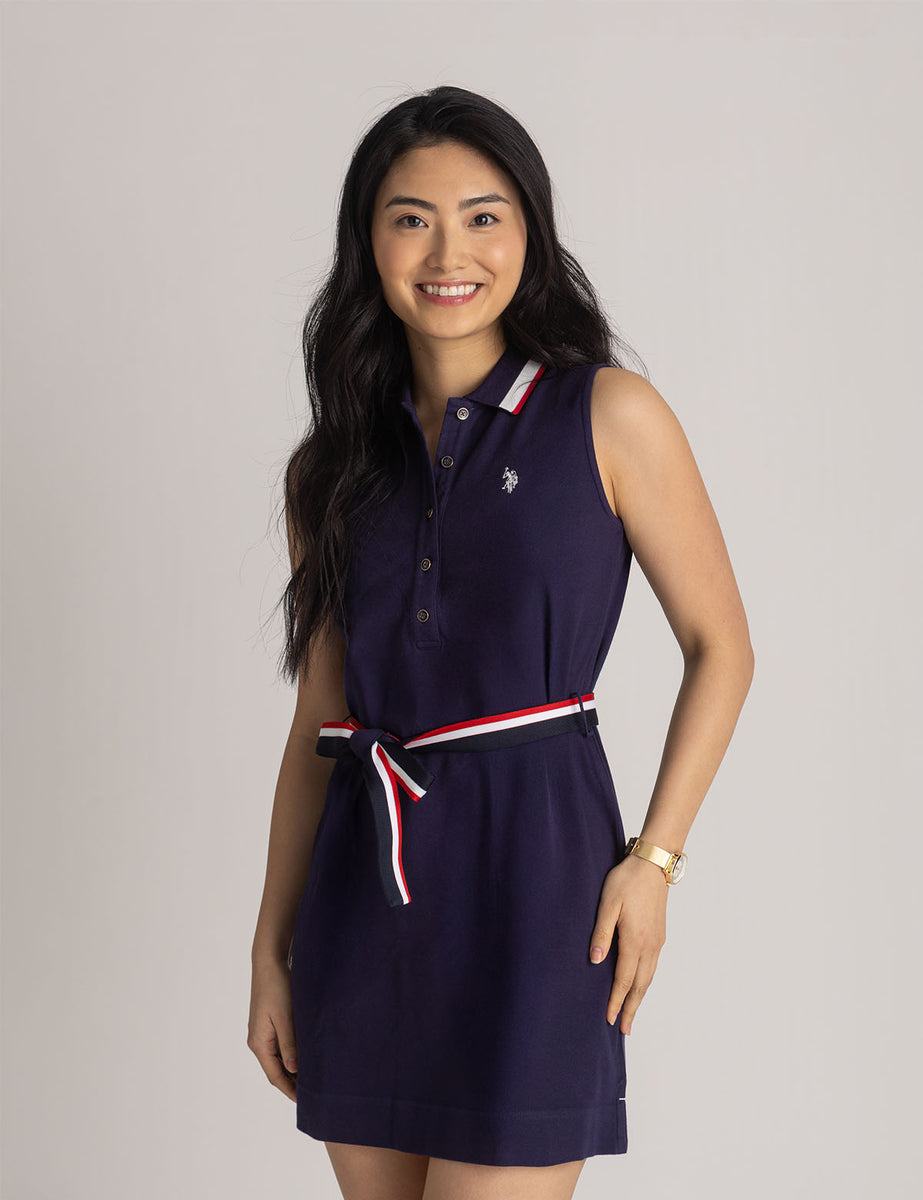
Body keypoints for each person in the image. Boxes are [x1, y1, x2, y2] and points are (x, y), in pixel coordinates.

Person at [248, 85, 754, 1200]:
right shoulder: (329, 470)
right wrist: (269, 954)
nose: (448, 253)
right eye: (410, 218)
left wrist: (654, 863)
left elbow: (721, 647)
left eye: (482, 216)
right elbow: (316, 728)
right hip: (364, 905)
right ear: (368, 242)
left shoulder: (608, 415)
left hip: (539, 890)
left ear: (529, 231)